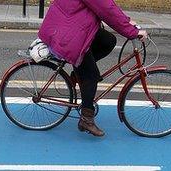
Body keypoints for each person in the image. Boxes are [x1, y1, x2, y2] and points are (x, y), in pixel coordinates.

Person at [38, 0, 148, 137]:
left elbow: (108, 5)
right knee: (91, 75)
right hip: (68, 34)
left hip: (72, 25)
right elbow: (106, 10)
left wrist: (127, 21)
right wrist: (132, 32)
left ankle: (79, 73)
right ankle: (86, 119)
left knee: (108, 41)